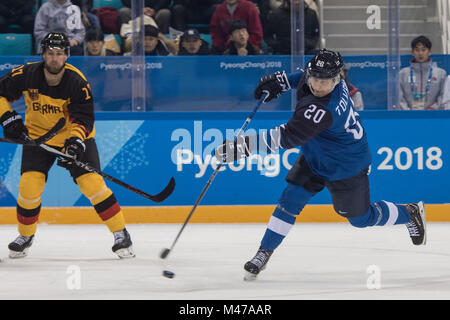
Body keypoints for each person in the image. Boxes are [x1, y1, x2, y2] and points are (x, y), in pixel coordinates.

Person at [214, 49, 427, 280]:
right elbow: (303, 78)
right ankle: (264, 251)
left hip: (345, 166)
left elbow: (285, 137)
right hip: (316, 155)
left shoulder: (324, 109)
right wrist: (283, 81)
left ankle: (409, 213)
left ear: (337, 79)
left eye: (324, 81)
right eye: (315, 77)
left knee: (360, 219)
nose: (317, 84)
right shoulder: (321, 77)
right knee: (290, 199)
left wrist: (242, 147)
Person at [0, 32, 135, 259]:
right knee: (28, 187)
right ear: (43, 54)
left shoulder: (77, 82)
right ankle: (25, 236)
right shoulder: (26, 73)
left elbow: (83, 117)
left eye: (59, 54)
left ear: (66, 56)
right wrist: (8, 118)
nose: (54, 58)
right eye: (50, 53)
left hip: (75, 139)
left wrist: (75, 142)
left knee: (92, 184)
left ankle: (121, 234)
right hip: (38, 138)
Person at [398, 35, 447, 110]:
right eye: (417, 50)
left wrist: (433, 108)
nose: (420, 53)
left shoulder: (441, 74)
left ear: (429, 52)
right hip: (408, 116)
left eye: (423, 50)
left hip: (432, 116)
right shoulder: (402, 74)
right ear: (412, 52)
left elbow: (443, 96)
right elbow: (399, 96)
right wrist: (407, 111)